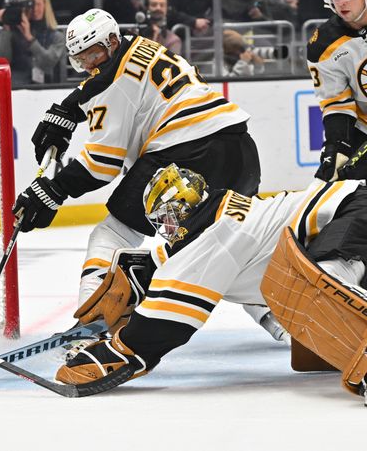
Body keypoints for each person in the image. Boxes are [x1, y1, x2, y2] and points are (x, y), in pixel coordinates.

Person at [12, 8, 260, 311]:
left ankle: (91, 321)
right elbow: (112, 80)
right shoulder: (144, 45)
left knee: (113, 233)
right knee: (226, 242)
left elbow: (101, 166)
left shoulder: (112, 86)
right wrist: (71, 108)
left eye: (93, 56)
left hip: (184, 155)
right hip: (239, 147)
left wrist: (52, 190)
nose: (89, 66)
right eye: (81, 60)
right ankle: (280, 321)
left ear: (113, 41)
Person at [55, 164, 367, 399]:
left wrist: (117, 349)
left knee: (324, 290)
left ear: (177, 211)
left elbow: (164, 325)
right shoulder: (221, 217)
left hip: (355, 208)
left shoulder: (212, 235)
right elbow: (161, 261)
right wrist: (134, 283)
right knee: (307, 294)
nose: (166, 227)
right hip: (352, 205)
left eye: (165, 219)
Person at [306, 0, 367, 183]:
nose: (341, 2)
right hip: (363, 129)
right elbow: (336, 105)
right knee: (332, 188)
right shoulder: (323, 44)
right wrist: (336, 146)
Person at [0, 0, 65, 86]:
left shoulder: (57, 36)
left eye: (39, 4)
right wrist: (6, 27)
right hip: (17, 85)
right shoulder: (13, 32)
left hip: (47, 87)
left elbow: (48, 64)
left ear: (46, 5)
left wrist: (29, 38)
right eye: (31, 5)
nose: (35, 9)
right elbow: (0, 62)